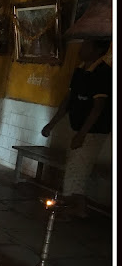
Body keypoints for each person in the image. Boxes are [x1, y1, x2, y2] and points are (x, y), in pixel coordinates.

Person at [41, 39, 112, 217]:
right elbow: (68, 100)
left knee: (79, 168)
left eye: (87, 45)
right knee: (74, 166)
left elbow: (98, 107)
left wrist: (82, 134)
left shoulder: (103, 73)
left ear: (98, 50)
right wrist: (52, 123)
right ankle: (72, 204)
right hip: (78, 127)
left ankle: (77, 208)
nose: (82, 48)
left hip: (92, 131)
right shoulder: (80, 70)